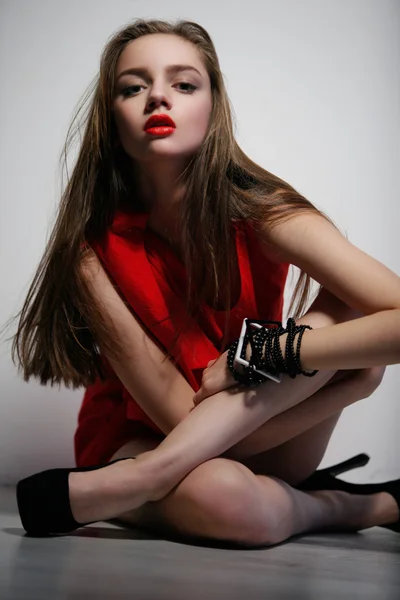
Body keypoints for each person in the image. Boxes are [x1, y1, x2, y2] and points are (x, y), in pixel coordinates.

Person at [6, 18, 400, 546]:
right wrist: (347, 383)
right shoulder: (90, 256)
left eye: (184, 84)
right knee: (235, 504)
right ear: (111, 118)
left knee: (347, 307)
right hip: (145, 437)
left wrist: (269, 353)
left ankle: (141, 483)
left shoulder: (267, 217)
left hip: (256, 412)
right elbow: (176, 415)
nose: (158, 98)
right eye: (133, 87)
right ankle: (354, 505)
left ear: (214, 109)